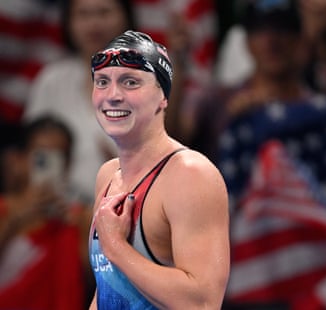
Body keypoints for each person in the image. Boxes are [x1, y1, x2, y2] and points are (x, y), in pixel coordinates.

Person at [88, 30, 230, 309]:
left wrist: (116, 248)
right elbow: (108, 292)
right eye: (102, 82)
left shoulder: (189, 175)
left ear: (163, 96)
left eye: (130, 82)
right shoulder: (108, 176)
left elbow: (203, 302)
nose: (113, 95)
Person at [23, 0, 136, 205]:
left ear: (126, 17)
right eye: (83, 14)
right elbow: (30, 154)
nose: (94, 24)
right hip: (54, 213)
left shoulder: (143, 83)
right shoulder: (51, 80)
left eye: (104, 12)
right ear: (68, 22)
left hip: (125, 209)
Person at [180, 0, 312, 162]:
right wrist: (178, 63)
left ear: (299, 40)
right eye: (260, 30)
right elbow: (175, 139)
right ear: (246, 41)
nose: (271, 41)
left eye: (282, 28)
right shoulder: (217, 101)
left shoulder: (317, 107)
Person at [0, 115, 93, 310]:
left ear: (69, 163)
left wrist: (77, 230)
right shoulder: (3, 209)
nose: (51, 165)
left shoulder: (81, 218)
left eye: (60, 156)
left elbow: (96, 284)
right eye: (41, 156)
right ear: (19, 159)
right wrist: (16, 221)